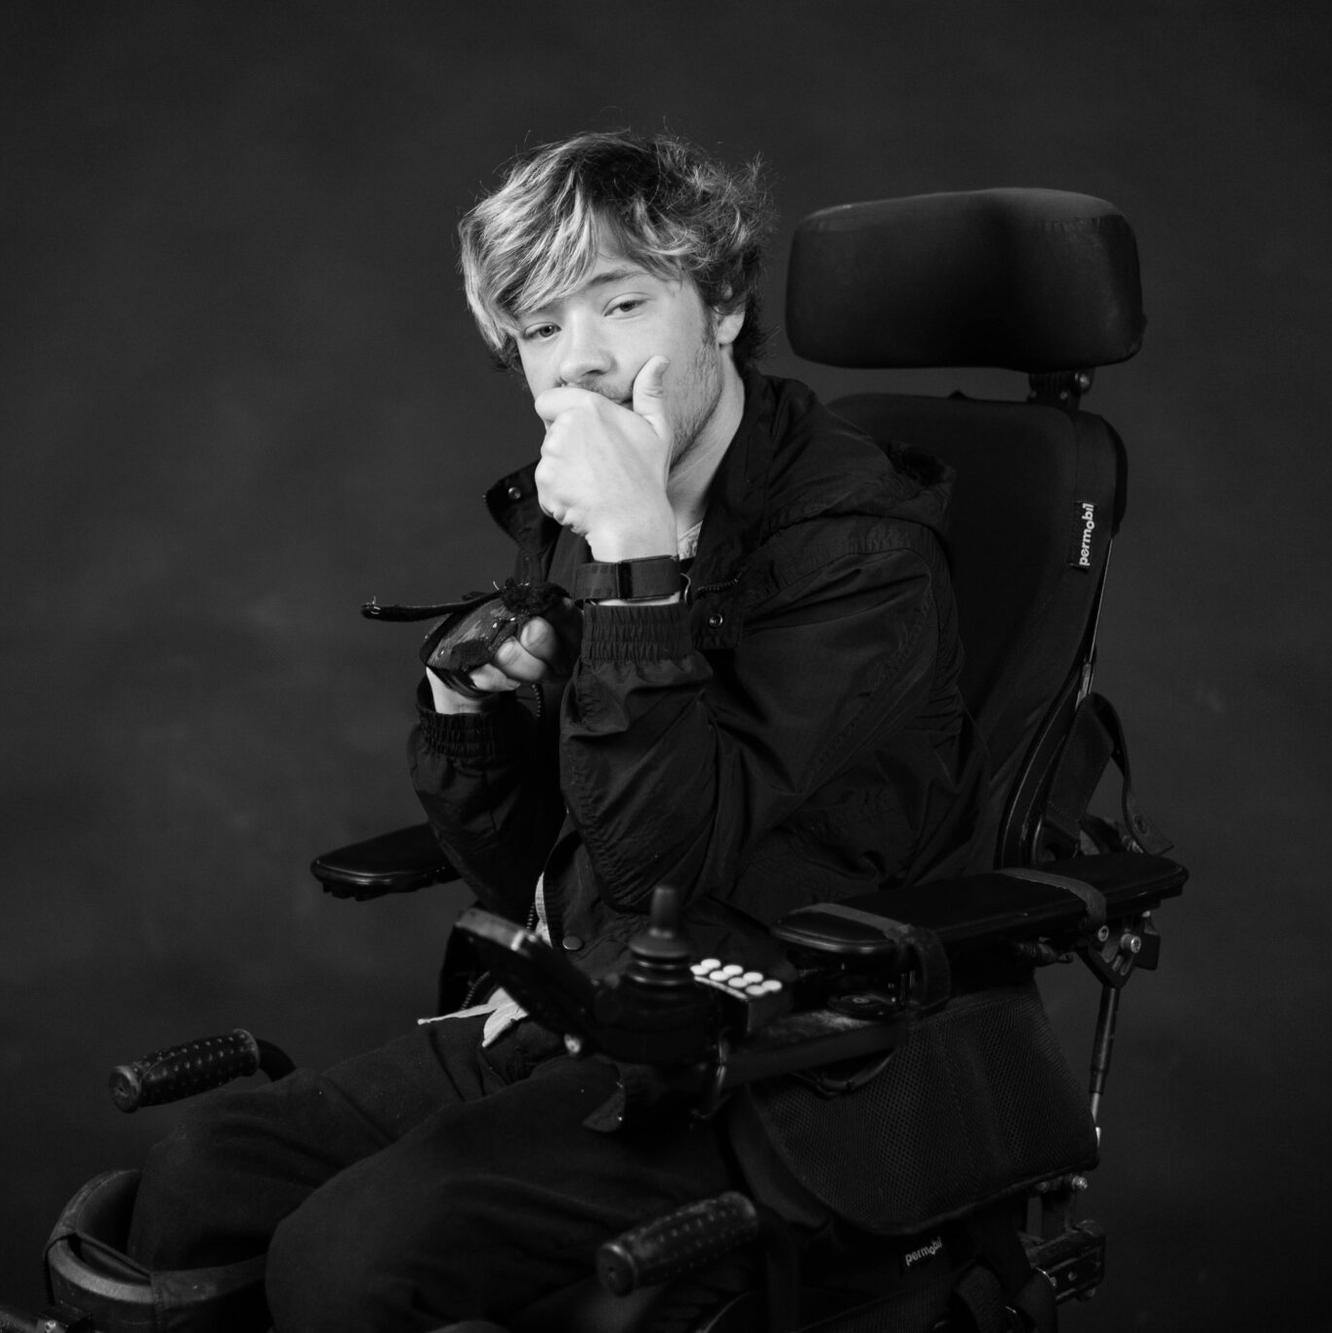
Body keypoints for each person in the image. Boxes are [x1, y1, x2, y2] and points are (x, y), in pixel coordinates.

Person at [124, 129, 985, 1330]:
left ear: (723, 304)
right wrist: (466, 720)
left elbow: (670, 868)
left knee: (353, 1256)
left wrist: (637, 568)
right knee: (201, 1173)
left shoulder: (859, 551)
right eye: (537, 329)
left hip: (775, 1050)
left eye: (620, 303)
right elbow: (544, 852)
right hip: (580, 1004)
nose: (575, 366)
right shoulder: (580, 507)